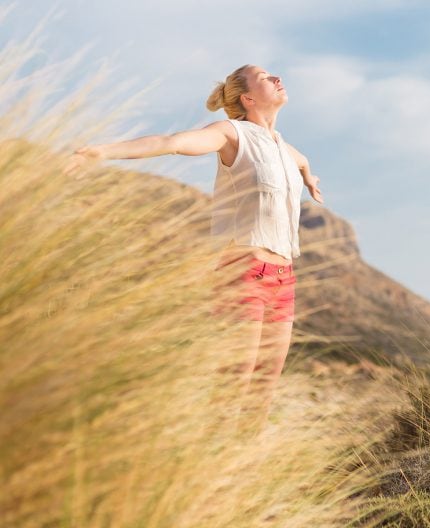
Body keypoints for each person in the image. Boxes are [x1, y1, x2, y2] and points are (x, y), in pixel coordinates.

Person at [64, 64, 324, 437]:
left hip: (284, 281)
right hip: (244, 274)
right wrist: (103, 152)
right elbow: (171, 142)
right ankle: (210, 466)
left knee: (263, 390)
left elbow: (301, 161)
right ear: (248, 98)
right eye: (266, 77)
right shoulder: (231, 134)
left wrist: (308, 178)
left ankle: (243, 474)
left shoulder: (285, 147)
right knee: (234, 383)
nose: (277, 78)